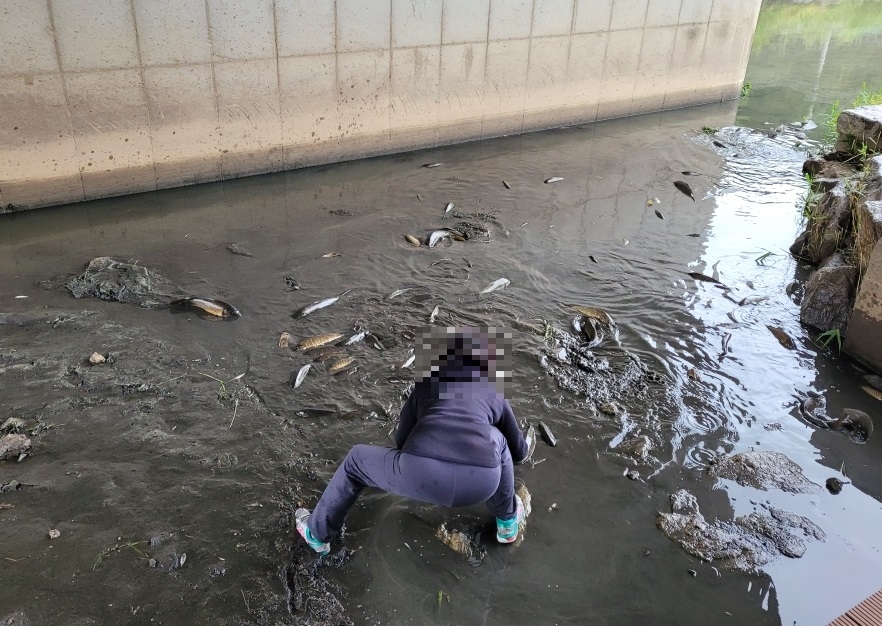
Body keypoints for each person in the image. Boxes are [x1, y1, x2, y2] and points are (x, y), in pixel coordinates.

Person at [295, 327, 531, 555]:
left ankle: (317, 535)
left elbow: (402, 441)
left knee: (355, 460)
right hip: (482, 482)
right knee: (498, 440)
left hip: (421, 476)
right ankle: (507, 522)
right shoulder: (494, 391)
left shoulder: (425, 385)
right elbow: (519, 452)